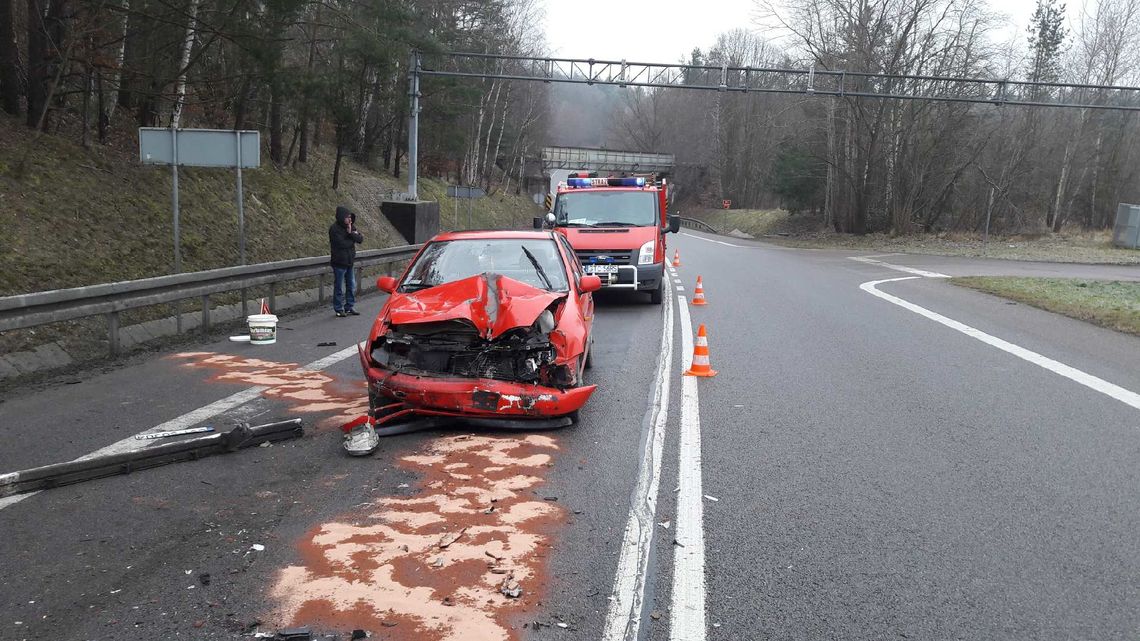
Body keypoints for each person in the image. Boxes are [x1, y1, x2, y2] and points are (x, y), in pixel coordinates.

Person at [329, 205, 364, 317]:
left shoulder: (351, 227)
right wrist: (351, 239)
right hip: (339, 262)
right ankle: (338, 308)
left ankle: (349, 306)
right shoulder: (334, 229)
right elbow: (342, 244)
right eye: (347, 217)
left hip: (349, 262)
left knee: (351, 285)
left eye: (350, 217)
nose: (349, 219)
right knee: (339, 286)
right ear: (341, 217)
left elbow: (360, 239)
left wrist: (351, 234)